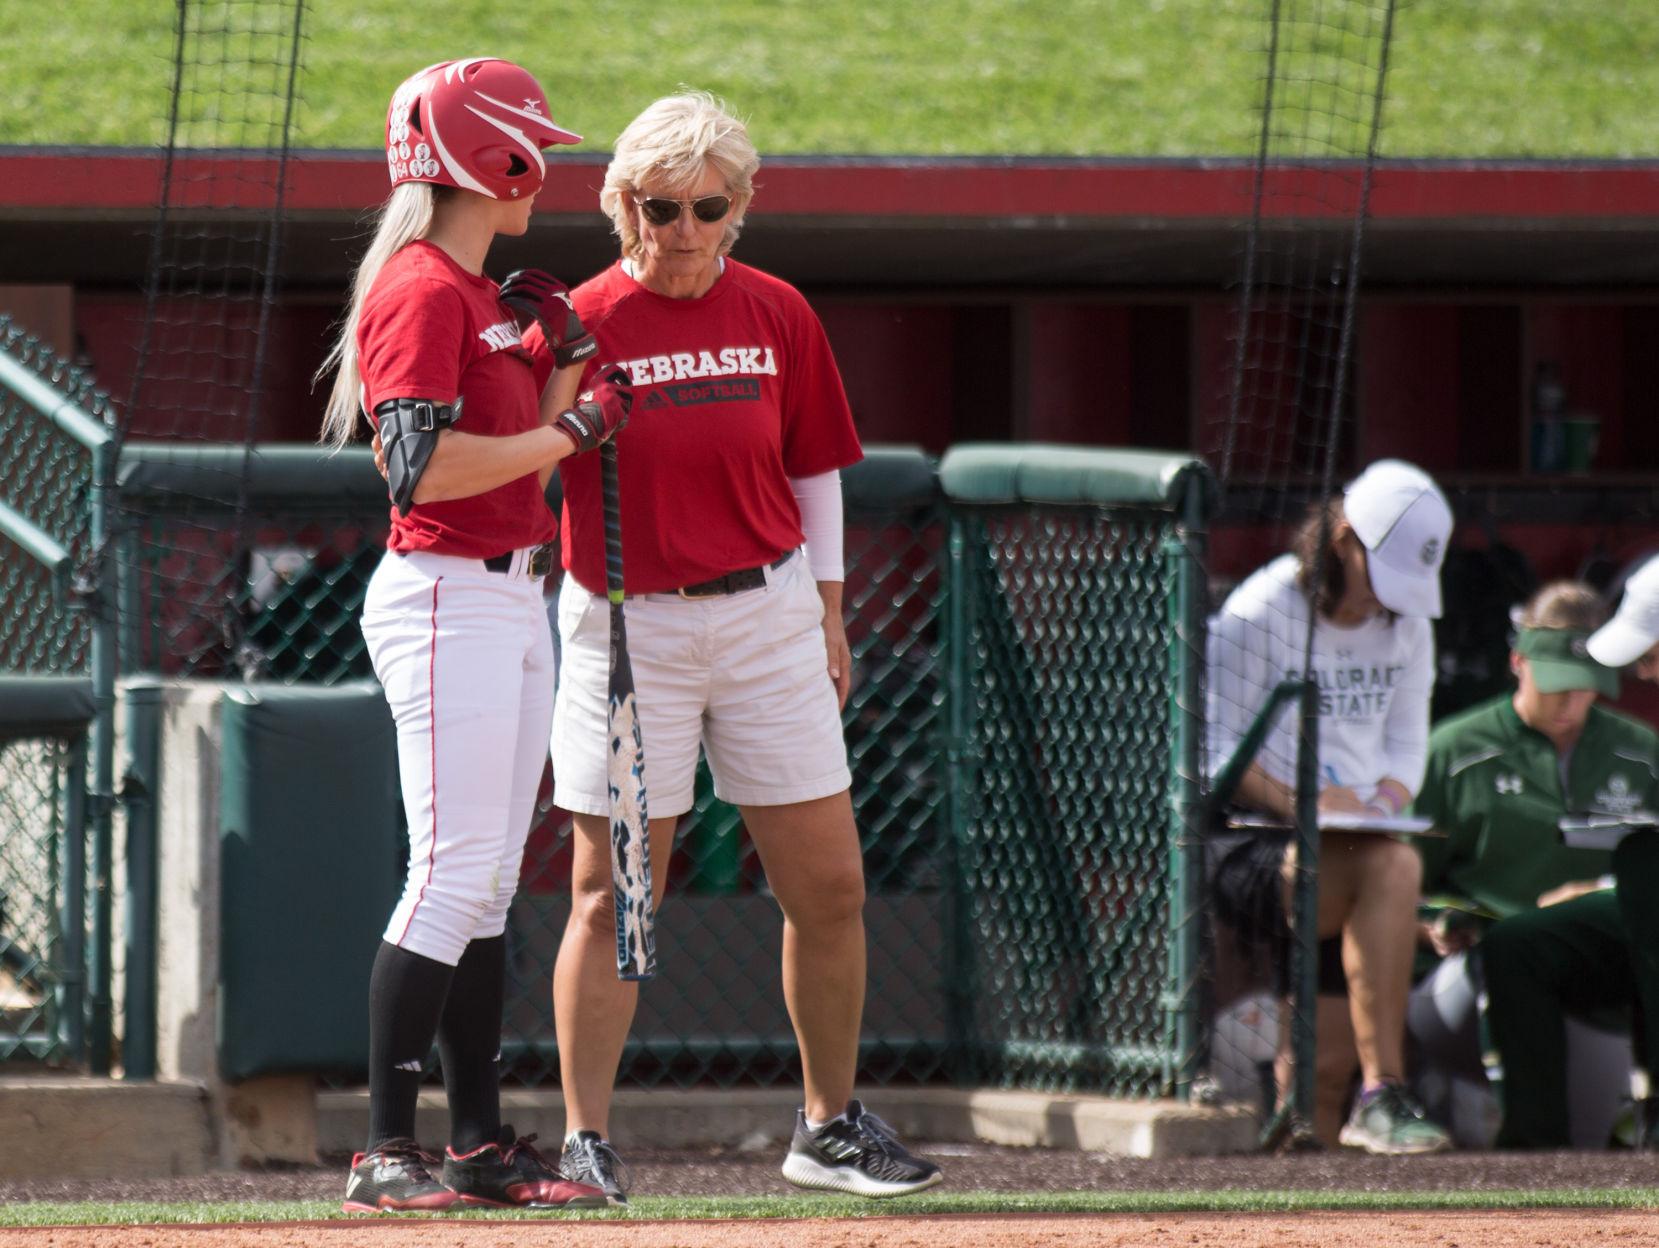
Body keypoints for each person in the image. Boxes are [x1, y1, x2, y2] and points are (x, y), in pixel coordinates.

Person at [540, 91, 942, 1202]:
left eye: (704, 207)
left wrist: (825, 604)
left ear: (741, 206)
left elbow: (814, 461)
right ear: (620, 202)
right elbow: (524, 467)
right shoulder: (576, 319)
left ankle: (826, 1125)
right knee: (613, 896)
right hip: (627, 626)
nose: (679, 231)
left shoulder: (778, 311)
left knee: (831, 885)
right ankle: (586, 1142)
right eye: (658, 205)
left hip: (765, 613)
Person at [315, 57, 631, 1213]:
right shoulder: (420, 288)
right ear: (485, 157)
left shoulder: (478, 293)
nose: (539, 170)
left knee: (492, 882)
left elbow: (543, 441)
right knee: (452, 873)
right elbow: (419, 466)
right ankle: (384, 1150)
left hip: (508, 592)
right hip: (445, 592)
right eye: (527, 149)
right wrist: (572, 431)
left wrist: (571, 366)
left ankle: (479, 1145)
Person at [1207, 459, 1453, 1154]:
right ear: (1343, 539)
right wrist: (1301, 803)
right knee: (1395, 869)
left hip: (1363, 848)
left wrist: (1383, 800)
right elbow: (1209, 748)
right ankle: (1384, 1090)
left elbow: (1406, 746)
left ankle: (1363, 1096)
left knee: (1312, 1095)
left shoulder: (1409, 624)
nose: (1386, 601)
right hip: (1256, 847)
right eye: (1380, 577)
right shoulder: (1260, 609)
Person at [1407, 581, 1659, 1148]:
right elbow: (1405, 882)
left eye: (1586, 686)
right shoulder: (1453, 750)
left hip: (1607, 960)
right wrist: (1434, 923)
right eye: (1556, 684)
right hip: (1474, 966)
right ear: (1518, 662)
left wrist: (1598, 891)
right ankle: (1528, 1151)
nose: (1570, 700)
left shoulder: (1643, 751)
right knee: (1510, 954)